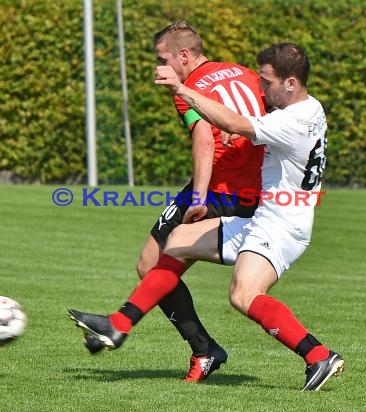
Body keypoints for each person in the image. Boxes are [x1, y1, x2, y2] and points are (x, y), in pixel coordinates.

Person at [69, 42, 344, 391]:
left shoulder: (291, 122)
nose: (260, 88)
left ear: (290, 82)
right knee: (178, 241)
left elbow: (235, 121)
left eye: (266, 81)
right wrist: (245, 130)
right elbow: (258, 128)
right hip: (268, 218)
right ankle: (119, 324)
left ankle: (318, 355)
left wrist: (183, 89)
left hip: (281, 227)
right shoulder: (309, 108)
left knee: (244, 295)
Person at [82, 22, 266, 382]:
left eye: (162, 58)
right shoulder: (244, 73)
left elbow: (204, 141)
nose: (158, 67)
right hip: (256, 190)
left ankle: (197, 348)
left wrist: (198, 197)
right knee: (164, 263)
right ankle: (189, 346)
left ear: (184, 56)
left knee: (151, 264)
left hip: (216, 187)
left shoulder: (190, 88)